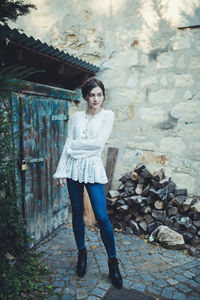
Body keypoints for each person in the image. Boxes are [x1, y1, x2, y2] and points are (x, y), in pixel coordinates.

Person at [53, 77, 123, 289]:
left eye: (99, 94)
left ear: (103, 96)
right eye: (92, 94)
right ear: (85, 96)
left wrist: (76, 147)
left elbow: (98, 144)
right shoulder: (75, 118)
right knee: (77, 211)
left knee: (102, 216)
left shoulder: (107, 116)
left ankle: (113, 262)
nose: (96, 99)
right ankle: (82, 253)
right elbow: (67, 145)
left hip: (92, 168)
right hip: (73, 169)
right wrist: (62, 170)